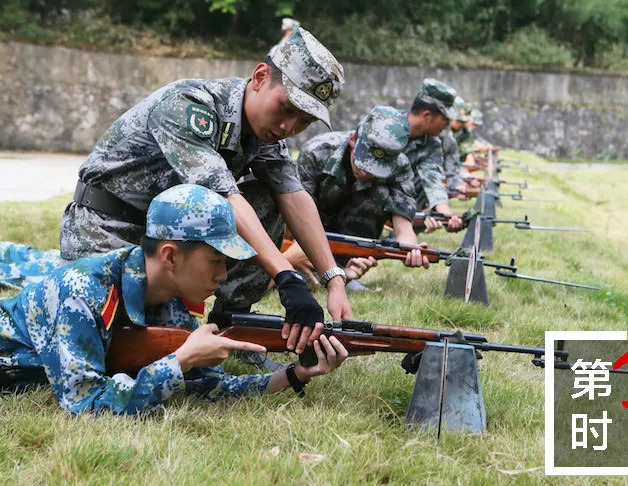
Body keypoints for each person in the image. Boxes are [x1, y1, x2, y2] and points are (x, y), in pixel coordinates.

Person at [59, 28, 352, 360]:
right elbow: (225, 197)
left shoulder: (265, 134)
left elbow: (293, 194)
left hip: (166, 245)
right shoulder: (190, 106)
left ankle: (233, 319)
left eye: (304, 121)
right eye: (286, 108)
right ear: (259, 77)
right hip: (107, 229)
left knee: (267, 196)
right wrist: (286, 276)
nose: (289, 127)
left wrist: (334, 279)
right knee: (131, 350)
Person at [0, 184, 348, 414]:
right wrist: (178, 362)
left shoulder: (173, 298)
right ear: (169, 257)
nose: (223, 275)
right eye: (216, 261)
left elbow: (207, 386)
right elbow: (86, 406)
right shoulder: (84, 292)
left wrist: (295, 375)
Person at [287, 106, 434, 284]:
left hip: (351, 245)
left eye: (376, 169)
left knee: (380, 192)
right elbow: (294, 212)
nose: (366, 173)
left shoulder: (400, 165)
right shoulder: (317, 151)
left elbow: (404, 228)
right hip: (305, 232)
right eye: (362, 163)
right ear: (352, 140)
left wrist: (410, 250)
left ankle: (343, 269)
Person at [403, 79, 463, 232]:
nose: (447, 125)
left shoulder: (433, 143)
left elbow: (432, 179)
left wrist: (445, 215)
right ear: (427, 116)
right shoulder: (387, 125)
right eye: (445, 119)